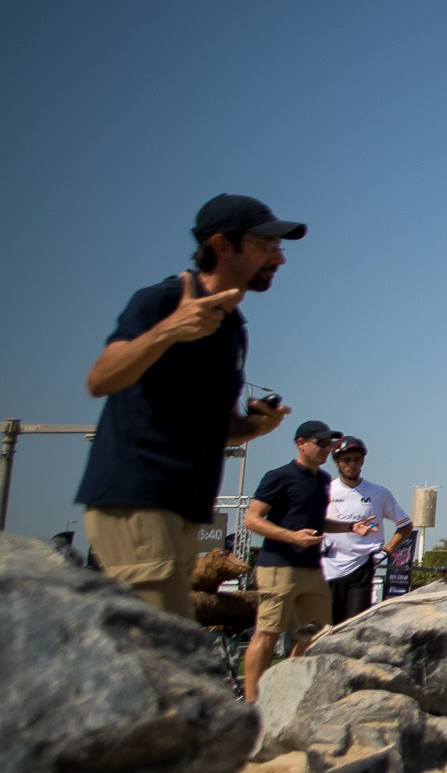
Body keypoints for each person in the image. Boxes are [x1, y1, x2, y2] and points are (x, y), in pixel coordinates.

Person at [75, 194, 301, 618]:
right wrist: (167, 331)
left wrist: (254, 427)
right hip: (139, 497)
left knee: (164, 647)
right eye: (266, 244)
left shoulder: (232, 328)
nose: (280, 257)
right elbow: (100, 379)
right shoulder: (162, 301)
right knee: (161, 651)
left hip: (183, 506)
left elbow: (213, 427)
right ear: (222, 245)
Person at [242, 420, 376, 701]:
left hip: (313, 570)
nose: (327, 449)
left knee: (316, 632)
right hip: (279, 568)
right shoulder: (279, 476)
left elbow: (318, 523)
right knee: (268, 633)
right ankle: (252, 702)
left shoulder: (323, 480)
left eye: (330, 444)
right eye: (322, 443)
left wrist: (351, 527)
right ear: (301, 444)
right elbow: (252, 520)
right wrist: (291, 537)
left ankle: (285, 689)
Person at [321, 436, 413, 623]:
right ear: (336, 462)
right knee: (326, 626)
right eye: (346, 460)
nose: (352, 465)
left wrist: (386, 551)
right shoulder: (325, 491)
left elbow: (405, 525)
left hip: (362, 567)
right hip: (329, 566)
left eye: (357, 459)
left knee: (353, 625)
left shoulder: (379, 493)